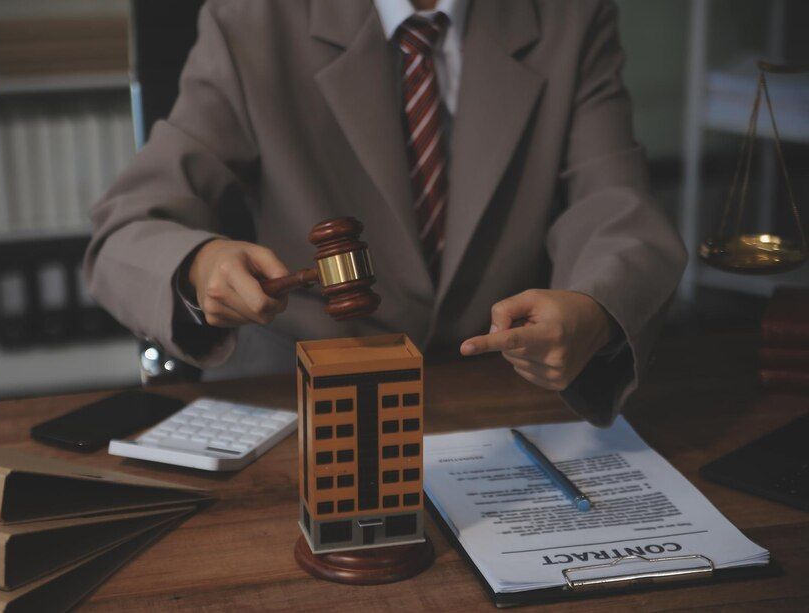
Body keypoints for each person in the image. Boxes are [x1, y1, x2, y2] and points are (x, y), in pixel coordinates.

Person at [85, 0, 686, 426]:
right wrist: (198, 264)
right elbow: (125, 230)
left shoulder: (572, 17)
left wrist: (593, 310)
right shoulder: (249, 20)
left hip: (497, 397)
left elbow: (614, 204)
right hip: (304, 400)